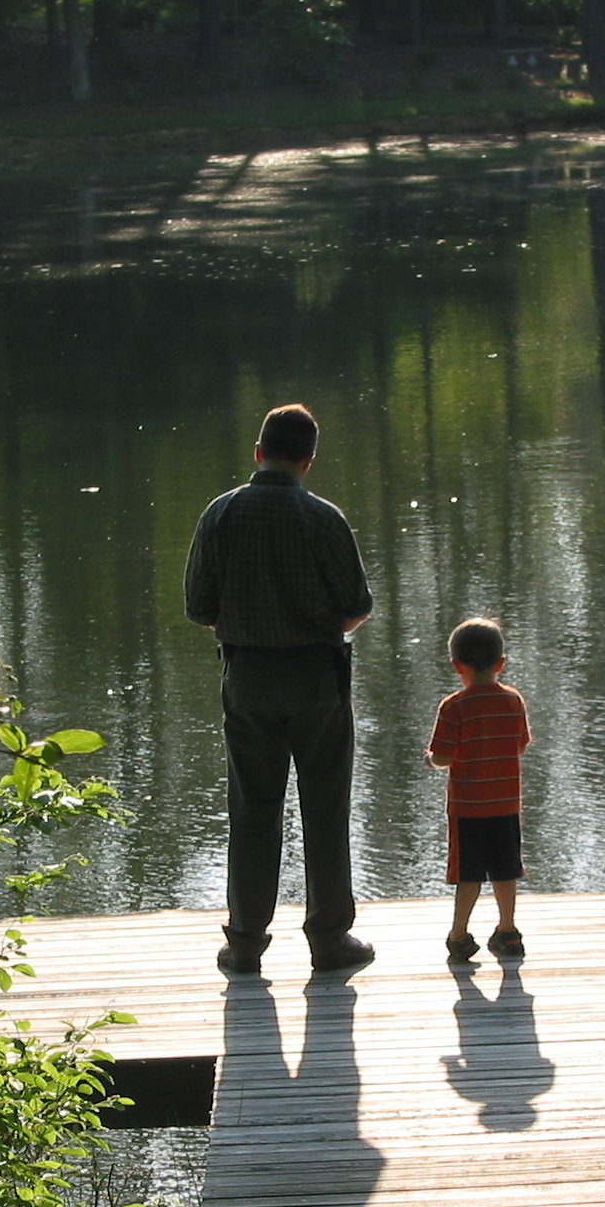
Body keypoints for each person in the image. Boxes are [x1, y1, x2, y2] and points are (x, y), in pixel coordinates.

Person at [183, 404, 375, 975]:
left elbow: (199, 607)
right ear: (309, 460)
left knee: (252, 809)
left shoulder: (220, 514)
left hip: (247, 677)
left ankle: (245, 942)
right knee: (325, 809)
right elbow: (357, 606)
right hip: (317, 678)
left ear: (258, 452)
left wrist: (246, 627)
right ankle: (329, 940)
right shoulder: (324, 518)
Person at [426, 617, 531, 961]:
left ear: (457, 665)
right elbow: (520, 745)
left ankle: (459, 935)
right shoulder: (513, 701)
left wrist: (429, 760)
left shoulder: (454, 706)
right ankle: (508, 931)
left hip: (467, 808)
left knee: (468, 873)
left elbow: (443, 756)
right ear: (501, 663)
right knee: (506, 870)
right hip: (506, 805)